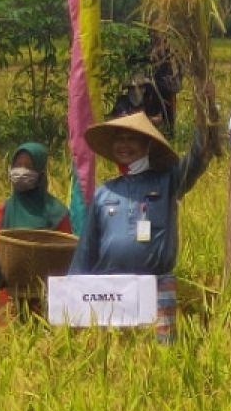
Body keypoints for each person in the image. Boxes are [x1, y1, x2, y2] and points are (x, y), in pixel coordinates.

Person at [69, 111, 213, 343]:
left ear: (147, 144)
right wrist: (72, 293)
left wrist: (204, 115)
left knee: (159, 358)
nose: (124, 145)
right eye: (119, 139)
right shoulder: (104, 193)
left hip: (155, 285)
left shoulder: (167, 182)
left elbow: (197, 158)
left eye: (132, 139)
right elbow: (86, 248)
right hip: (109, 289)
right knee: (114, 356)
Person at [0, 143, 72, 322]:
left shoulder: (56, 212)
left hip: (45, 298)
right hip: (8, 299)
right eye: (17, 165)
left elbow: (64, 255)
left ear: (40, 172)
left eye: (28, 167)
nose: (21, 171)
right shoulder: (3, 210)